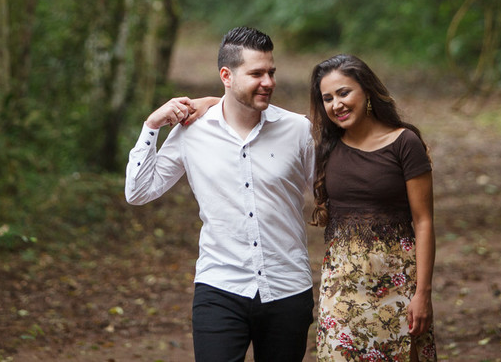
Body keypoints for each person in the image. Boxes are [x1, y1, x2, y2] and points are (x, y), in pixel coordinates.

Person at [125, 26, 316, 362]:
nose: (268, 82)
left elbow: (332, 196)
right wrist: (151, 127)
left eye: (271, 72)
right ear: (226, 76)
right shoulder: (192, 132)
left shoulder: (297, 130)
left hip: (288, 287)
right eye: (256, 74)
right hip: (220, 286)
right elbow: (139, 191)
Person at [309, 54, 436, 362]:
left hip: (398, 288)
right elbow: (264, 116)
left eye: (343, 93)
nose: (336, 104)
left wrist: (422, 294)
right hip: (341, 295)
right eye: (327, 98)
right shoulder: (327, 147)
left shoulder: (404, 143)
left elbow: (423, 222)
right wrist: (210, 103)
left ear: (366, 91)